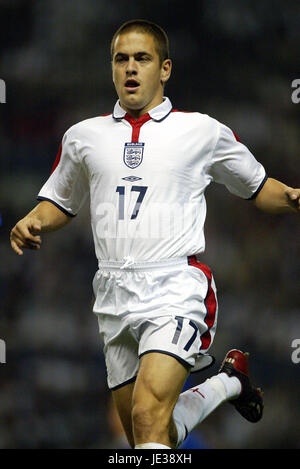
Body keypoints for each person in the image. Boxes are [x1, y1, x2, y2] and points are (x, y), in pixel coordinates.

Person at [10, 19, 299, 450]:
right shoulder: (82, 136)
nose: (130, 68)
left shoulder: (201, 130)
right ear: (111, 68)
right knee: (148, 435)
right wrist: (33, 218)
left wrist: (293, 196)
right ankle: (228, 383)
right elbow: (62, 202)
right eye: (121, 59)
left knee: (147, 417)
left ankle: (225, 382)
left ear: (164, 69)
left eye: (141, 59)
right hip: (111, 293)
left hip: (175, 286)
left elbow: (257, 187)